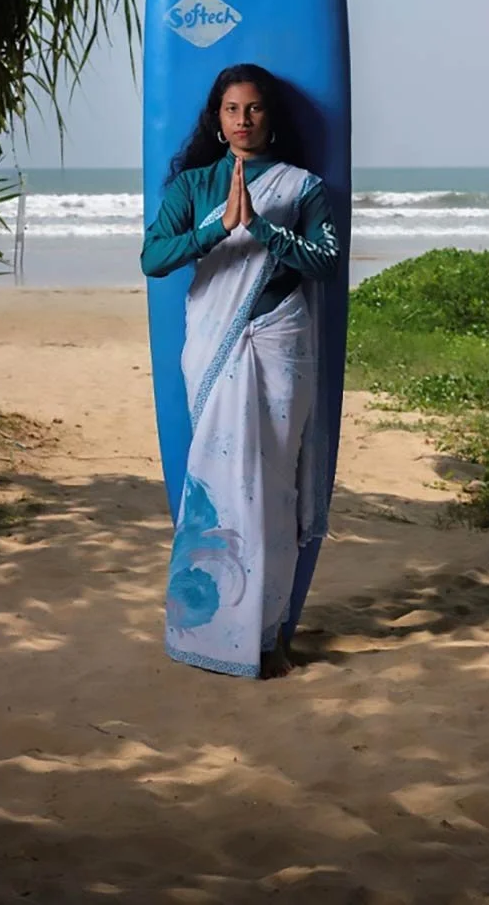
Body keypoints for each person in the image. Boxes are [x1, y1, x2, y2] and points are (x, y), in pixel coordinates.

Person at [141, 63, 340, 678]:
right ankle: (207, 631)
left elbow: (326, 263)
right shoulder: (195, 185)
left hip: (280, 343)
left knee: (273, 487)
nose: (243, 120)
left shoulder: (302, 187)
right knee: (219, 480)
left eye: (254, 109)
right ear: (217, 119)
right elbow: (153, 257)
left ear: (269, 117)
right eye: (232, 109)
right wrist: (219, 226)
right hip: (215, 349)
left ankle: (266, 635)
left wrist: (261, 227)